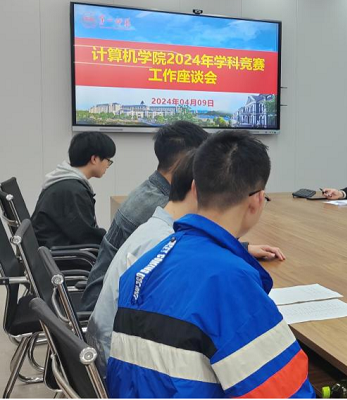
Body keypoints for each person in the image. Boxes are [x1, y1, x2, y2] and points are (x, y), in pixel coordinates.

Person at [107, 130, 314, 398]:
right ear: (257, 200)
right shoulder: (229, 281)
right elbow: (285, 393)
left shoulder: (145, 262)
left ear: (194, 189)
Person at [86, 150, 285, 376]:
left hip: (111, 355)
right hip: (120, 366)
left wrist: (240, 248)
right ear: (196, 189)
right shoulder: (166, 246)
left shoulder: (157, 229)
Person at [81, 121, 208, 311]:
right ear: (184, 164)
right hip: (112, 310)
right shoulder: (160, 207)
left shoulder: (153, 191)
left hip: (108, 300)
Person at [31, 132, 115, 248]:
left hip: (52, 249)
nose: (108, 165)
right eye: (108, 161)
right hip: (61, 253)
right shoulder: (73, 191)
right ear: (94, 159)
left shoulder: (64, 183)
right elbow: (86, 237)